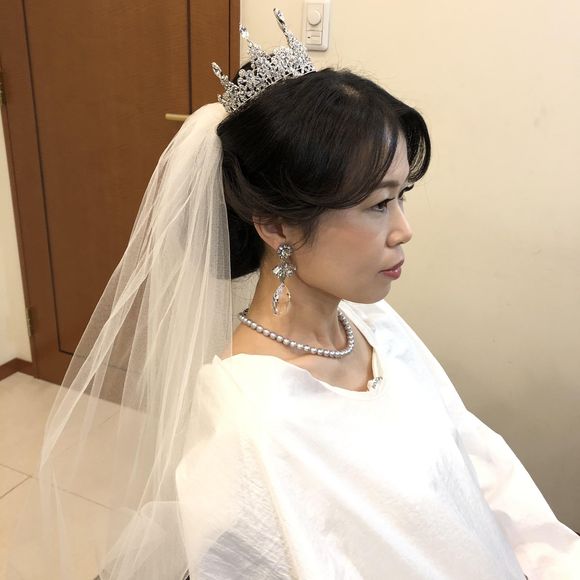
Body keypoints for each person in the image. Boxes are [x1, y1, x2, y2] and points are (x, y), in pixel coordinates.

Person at [5, 8, 579, 580]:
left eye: (403, 195)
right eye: (379, 204)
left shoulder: (371, 324)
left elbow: (472, 462)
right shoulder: (253, 425)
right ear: (276, 225)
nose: (404, 229)